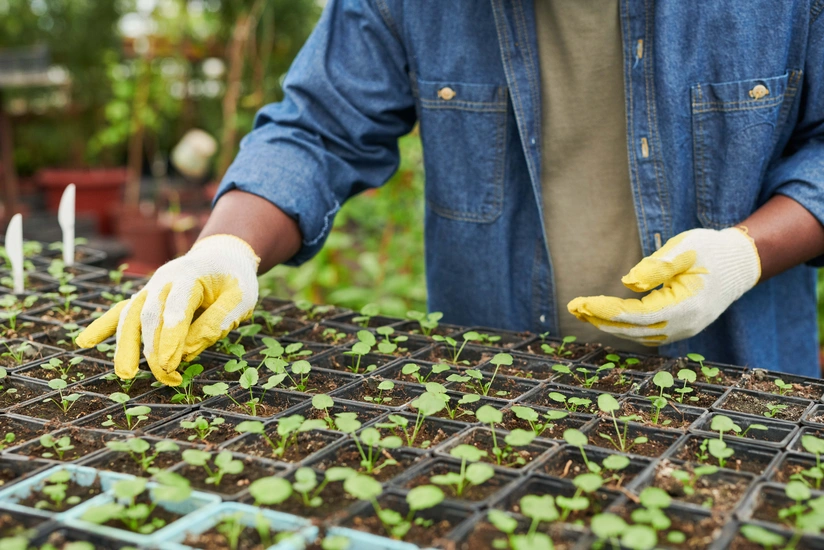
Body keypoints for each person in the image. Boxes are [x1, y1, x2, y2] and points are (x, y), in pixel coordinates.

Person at [77, 0, 824, 385]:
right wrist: (229, 249)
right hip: (503, 400)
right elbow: (317, 127)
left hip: (736, 383)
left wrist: (743, 255)